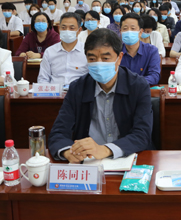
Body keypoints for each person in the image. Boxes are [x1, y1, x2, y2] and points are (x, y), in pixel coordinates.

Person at [48, 28, 154, 162]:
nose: (98, 64)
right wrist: (68, 152)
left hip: (127, 158)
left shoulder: (138, 86)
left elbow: (142, 134)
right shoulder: (77, 88)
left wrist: (105, 150)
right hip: (88, 161)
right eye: (92, 59)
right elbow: (58, 132)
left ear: (119, 58)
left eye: (105, 58)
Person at [38, 12, 88, 85]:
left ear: (79, 30)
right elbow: (43, 79)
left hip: (80, 91)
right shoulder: (50, 51)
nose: (67, 31)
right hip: (55, 91)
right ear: (59, 29)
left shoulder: (87, 51)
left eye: (72, 28)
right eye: (63, 28)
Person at [118, 13, 161, 85]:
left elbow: (154, 76)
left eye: (133, 28)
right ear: (120, 32)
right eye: (125, 29)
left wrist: (134, 84)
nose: (129, 32)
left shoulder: (151, 51)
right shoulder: (115, 51)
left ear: (140, 32)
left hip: (143, 89)